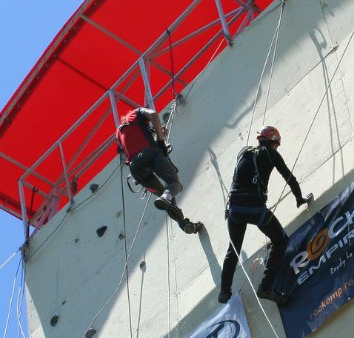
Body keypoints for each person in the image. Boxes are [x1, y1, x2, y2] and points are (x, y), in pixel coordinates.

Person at [219, 125, 311, 304]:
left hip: (234, 210)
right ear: (273, 141)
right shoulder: (271, 154)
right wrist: (299, 198)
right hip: (255, 209)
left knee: (233, 250)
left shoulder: (243, 151)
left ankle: (224, 291)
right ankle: (266, 287)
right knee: (280, 241)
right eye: (276, 144)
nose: (276, 147)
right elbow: (289, 177)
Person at [116, 106, 202, 234]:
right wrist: (161, 141)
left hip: (136, 169)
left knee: (166, 201)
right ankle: (166, 198)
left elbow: (131, 144)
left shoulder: (119, 131)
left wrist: (156, 133)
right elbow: (154, 115)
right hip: (149, 154)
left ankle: (183, 223)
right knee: (174, 185)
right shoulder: (137, 113)